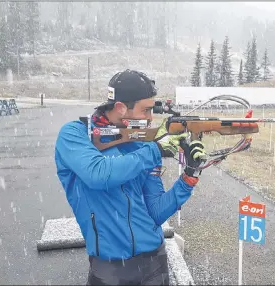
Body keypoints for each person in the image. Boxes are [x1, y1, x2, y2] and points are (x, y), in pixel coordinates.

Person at [54, 69, 207, 285]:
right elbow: (98, 174)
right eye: (145, 110)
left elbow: (155, 212)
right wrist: (155, 149)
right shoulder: (74, 135)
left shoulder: (142, 143)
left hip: (155, 262)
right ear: (120, 107)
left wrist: (189, 175)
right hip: (109, 269)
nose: (150, 118)